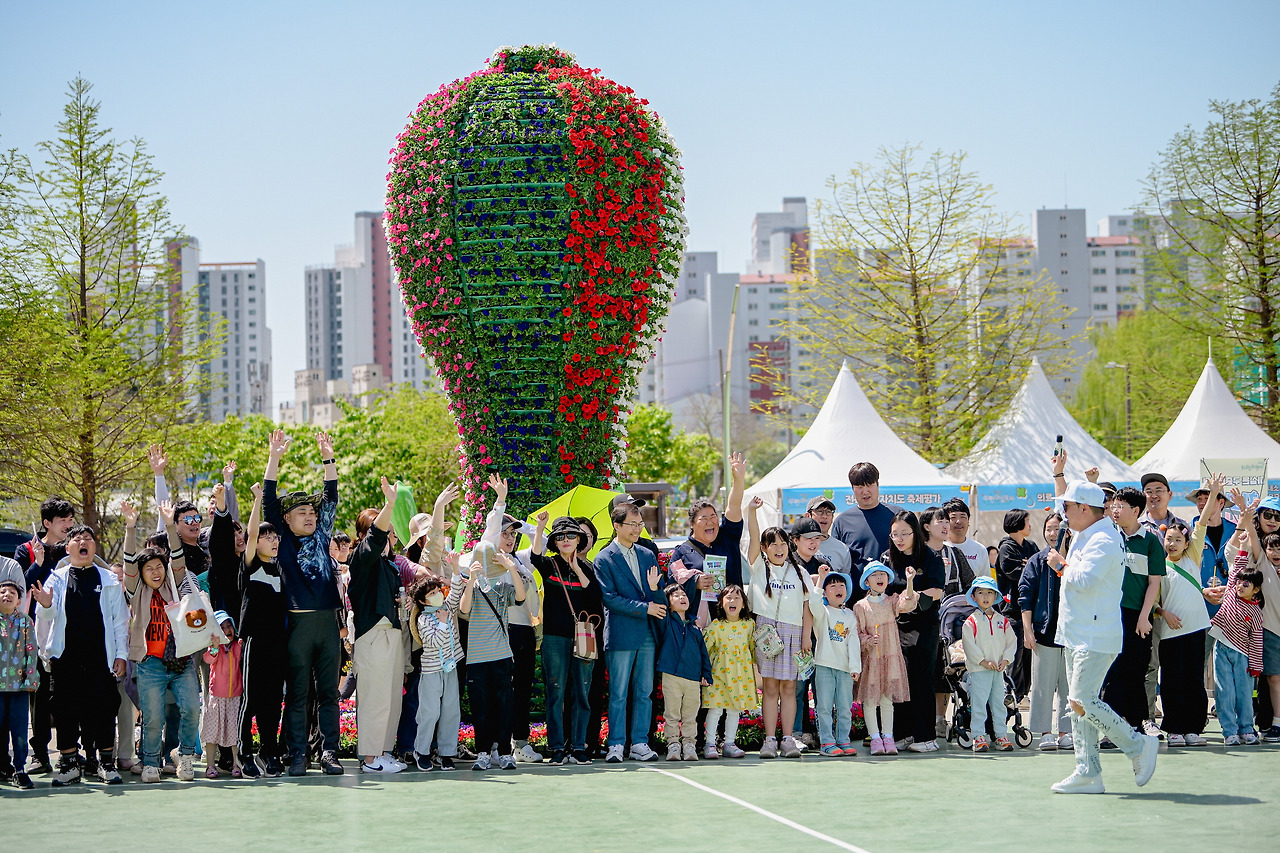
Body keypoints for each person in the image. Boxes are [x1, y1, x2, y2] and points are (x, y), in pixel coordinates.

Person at [1047, 480, 1158, 794]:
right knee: (1078, 704)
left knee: (1084, 701)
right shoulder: (1088, 533)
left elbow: (1085, 579)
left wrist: (1060, 564)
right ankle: (1087, 771)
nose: (1063, 513)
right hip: (1078, 633)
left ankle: (1136, 745)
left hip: (1094, 635)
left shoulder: (1105, 538)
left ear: (1084, 508)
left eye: (1068, 506)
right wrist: (1059, 474)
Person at [261, 428, 344, 777]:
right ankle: (297, 755)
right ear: (287, 520)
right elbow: (269, 500)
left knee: (328, 693)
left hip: (327, 624)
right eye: (302, 513)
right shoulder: (282, 539)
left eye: (312, 512)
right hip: (296, 625)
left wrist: (329, 459)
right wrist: (274, 458)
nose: (310, 516)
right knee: (296, 694)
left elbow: (332, 495)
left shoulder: (323, 534)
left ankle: (329, 753)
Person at [31, 522, 129, 788]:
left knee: (104, 710)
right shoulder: (57, 577)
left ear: (94, 547)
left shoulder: (108, 578)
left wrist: (121, 654)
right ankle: (69, 765)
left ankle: (106, 764)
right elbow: (45, 618)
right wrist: (47, 605)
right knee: (65, 711)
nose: (83, 542)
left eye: (88, 539)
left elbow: (120, 621)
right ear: (68, 547)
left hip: (101, 657)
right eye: (77, 539)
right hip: (66, 658)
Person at [121, 500, 202, 784]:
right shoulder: (136, 591)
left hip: (181, 661)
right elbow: (129, 562)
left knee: (192, 708)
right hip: (150, 664)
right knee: (153, 719)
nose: (155, 572)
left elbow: (177, 558)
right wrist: (130, 527)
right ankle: (152, 763)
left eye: (159, 567)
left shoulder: (173, 584)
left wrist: (170, 524)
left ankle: (186, 756)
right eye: (149, 569)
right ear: (141, 575)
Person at [348, 477, 411, 775]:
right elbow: (374, 538)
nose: (390, 536)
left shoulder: (390, 565)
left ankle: (382, 752)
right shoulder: (361, 559)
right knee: (374, 699)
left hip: (392, 635)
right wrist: (389, 503)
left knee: (390, 700)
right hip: (373, 636)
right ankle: (371, 758)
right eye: (386, 532)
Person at [595, 502, 666, 763]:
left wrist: (654, 592)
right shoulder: (604, 558)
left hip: (647, 633)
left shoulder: (647, 555)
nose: (638, 529)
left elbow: (659, 595)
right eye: (632, 525)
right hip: (621, 633)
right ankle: (615, 743)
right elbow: (609, 599)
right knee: (619, 693)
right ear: (617, 525)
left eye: (640, 524)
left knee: (645, 691)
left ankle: (639, 743)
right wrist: (645, 607)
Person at [531, 516, 603, 766]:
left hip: (583, 637)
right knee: (556, 692)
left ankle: (579, 747)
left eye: (571, 536)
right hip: (554, 637)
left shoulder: (589, 568)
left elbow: (594, 596)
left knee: (582, 692)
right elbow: (534, 558)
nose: (565, 540)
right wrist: (541, 528)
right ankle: (557, 748)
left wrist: (576, 567)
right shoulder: (549, 565)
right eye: (560, 537)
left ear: (579, 540)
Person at [449, 541, 526, 771]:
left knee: (504, 706)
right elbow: (464, 610)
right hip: (477, 658)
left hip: (501, 655)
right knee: (480, 707)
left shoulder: (502, 589)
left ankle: (504, 752)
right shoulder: (471, 589)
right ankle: (483, 752)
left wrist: (511, 568)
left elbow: (521, 597)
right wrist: (471, 579)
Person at [745, 500, 813, 759]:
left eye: (783, 543)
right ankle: (770, 740)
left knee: (790, 689)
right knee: (770, 689)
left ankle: (788, 739)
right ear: (764, 548)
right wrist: (751, 511)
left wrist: (806, 636)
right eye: (772, 543)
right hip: (766, 633)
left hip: (794, 634)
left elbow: (808, 606)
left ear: (789, 546)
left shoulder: (800, 573)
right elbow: (752, 536)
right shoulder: (758, 566)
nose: (779, 548)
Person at [16, 496, 76, 775]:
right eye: (63, 520)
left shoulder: (75, 548)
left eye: (70, 519)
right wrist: (38, 563)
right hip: (36, 634)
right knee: (39, 695)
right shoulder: (27, 550)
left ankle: (72, 752)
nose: (68, 525)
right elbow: (17, 589)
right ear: (47, 523)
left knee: (68, 693)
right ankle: (40, 753)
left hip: (70, 631)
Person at [1101, 487, 1166, 737]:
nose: (1115, 511)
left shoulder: (1150, 540)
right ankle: (1112, 727)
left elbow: (1154, 582)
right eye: (1113, 506)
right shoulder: (1108, 536)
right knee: (1113, 670)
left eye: (1120, 506)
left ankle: (1139, 722)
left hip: (1138, 615)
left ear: (1136, 510)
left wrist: (1143, 616)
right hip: (1109, 614)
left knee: (1137, 669)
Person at [234, 485, 288, 778]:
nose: (272, 540)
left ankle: (269, 751)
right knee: (251, 700)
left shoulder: (281, 569)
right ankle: (244, 753)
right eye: (268, 537)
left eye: (275, 536)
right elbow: (251, 534)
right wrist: (257, 500)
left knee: (271, 703)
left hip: (278, 643)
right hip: (255, 641)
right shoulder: (251, 564)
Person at [881, 511, 946, 752]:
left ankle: (925, 737)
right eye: (895, 534)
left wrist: (915, 597)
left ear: (916, 533)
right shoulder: (887, 558)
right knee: (897, 679)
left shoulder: (930, 557)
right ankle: (903, 733)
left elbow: (937, 590)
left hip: (923, 624)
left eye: (904, 534)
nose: (899, 539)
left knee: (919, 678)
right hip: (895, 625)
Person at [1227, 491, 1280, 743]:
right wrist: (1244, 514)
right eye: (1267, 514)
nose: (1272, 519)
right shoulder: (1259, 555)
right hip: (1264, 629)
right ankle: (1265, 724)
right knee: (1269, 679)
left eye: (1277, 516)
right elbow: (1234, 559)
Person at [667, 452, 746, 620]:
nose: (710, 522)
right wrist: (694, 583)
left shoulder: (727, 537)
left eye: (713, 517)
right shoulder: (682, 552)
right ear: (692, 524)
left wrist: (738, 481)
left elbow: (734, 506)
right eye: (704, 518)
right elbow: (672, 587)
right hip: (699, 623)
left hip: (733, 621)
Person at [1154, 517, 1212, 747]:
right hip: (1170, 634)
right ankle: (1174, 729)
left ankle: (1193, 728)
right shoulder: (1158, 566)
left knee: (1194, 680)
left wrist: (1214, 492)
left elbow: (1202, 525)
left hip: (1197, 630)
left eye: (1178, 539)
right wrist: (1163, 612)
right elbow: (1153, 601)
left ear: (1187, 543)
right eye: (1169, 539)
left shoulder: (1192, 558)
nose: (1173, 544)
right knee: (1171, 681)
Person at [1018, 512, 1073, 751]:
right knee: (1042, 686)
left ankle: (1066, 731)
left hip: (1072, 634)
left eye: (1058, 528)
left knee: (1069, 686)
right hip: (1044, 632)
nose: (1053, 533)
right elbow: (1025, 597)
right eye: (1049, 528)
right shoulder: (1037, 561)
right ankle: (1045, 732)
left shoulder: (1075, 559)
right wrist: (1027, 631)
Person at [853, 561, 915, 755]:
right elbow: (857, 633)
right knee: (871, 701)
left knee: (887, 699)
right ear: (866, 581)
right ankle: (875, 738)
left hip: (890, 656)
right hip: (872, 659)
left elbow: (908, 603)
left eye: (883, 574)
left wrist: (910, 581)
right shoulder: (860, 606)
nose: (879, 578)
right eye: (874, 575)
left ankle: (888, 737)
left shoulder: (891, 601)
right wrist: (869, 640)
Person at [922, 505, 973, 737]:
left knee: (946, 671)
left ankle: (940, 719)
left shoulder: (954, 553)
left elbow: (970, 585)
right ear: (926, 527)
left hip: (949, 624)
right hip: (921, 621)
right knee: (923, 672)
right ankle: (922, 719)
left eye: (946, 521)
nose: (946, 525)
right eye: (939, 521)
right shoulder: (919, 553)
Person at [1211, 546, 1265, 746]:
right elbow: (1235, 570)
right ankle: (1230, 731)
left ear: (1256, 589)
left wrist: (1256, 665)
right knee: (1224, 691)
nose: (1241, 585)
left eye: (1247, 583)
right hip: (1222, 649)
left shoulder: (1257, 612)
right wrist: (1242, 548)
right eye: (1240, 582)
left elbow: (1256, 639)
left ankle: (1246, 729)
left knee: (1244, 693)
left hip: (1243, 655)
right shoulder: (1231, 593)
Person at [410, 574, 462, 771]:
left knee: (451, 710)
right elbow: (433, 643)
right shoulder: (423, 619)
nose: (438, 595)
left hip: (450, 667)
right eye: (432, 593)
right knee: (430, 712)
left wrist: (455, 570)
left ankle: (446, 753)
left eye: (438, 591)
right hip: (432, 671)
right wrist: (441, 622)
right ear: (423, 601)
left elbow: (456, 594)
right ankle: (421, 750)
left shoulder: (446, 609)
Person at [656, 582, 712, 761]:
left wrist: (706, 673)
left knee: (690, 714)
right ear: (668, 602)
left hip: (692, 679)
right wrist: (654, 587)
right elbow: (659, 601)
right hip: (671, 675)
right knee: (671, 713)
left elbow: (703, 653)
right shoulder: (666, 621)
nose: (682, 597)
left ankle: (689, 744)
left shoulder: (695, 627)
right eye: (676, 595)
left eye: (684, 595)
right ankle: (673, 744)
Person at [808, 569, 862, 756]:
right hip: (824, 665)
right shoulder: (822, 612)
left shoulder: (850, 616)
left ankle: (843, 740)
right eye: (832, 586)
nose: (838, 589)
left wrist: (855, 667)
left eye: (842, 586)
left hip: (845, 669)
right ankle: (827, 742)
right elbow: (813, 604)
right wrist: (820, 579)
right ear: (825, 592)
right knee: (824, 706)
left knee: (845, 707)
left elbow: (854, 643)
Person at [961, 577, 1017, 753]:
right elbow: (969, 645)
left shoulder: (1003, 620)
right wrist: (983, 661)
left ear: (996, 596)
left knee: (999, 704)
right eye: (981, 593)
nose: (985, 597)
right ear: (974, 596)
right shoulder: (971, 621)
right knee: (978, 704)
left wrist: (1006, 660)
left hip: (998, 671)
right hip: (979, 671)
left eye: (990, 593)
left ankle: (1001, 736)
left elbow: (1012, 642)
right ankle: (978, 736)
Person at [701, 584, 755, 759]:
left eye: (737, 598)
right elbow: (706, 651)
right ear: (721, 603)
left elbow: (754, 650)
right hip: (719, 676)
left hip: (740, 677)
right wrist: (704, 672)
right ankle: (709, 743)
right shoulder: (716, 626)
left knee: (734, 710)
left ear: (744, 604)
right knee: (715, 709)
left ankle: (729, 743)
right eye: (728, 598)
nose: (733, 601)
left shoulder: (749, 625)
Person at [0, 559, 37, 789]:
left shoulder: (25, 621)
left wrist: (31, 678)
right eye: (2, 591)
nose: (7, 595)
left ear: (19, 600)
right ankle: (3, 766)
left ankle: (21, 768)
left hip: (19, 687)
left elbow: (31, 651)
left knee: (20, 728)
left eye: (12, 592)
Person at [831, 462, 901, 581]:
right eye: (859, 487)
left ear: (877, 485)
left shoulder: (898, 516)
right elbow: (837, 560)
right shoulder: (842, 522)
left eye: (869, 485)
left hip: (894, 593)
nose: (865, 491)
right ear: (852, 489)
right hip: (856, 595)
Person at [996, 508, 1039, 698]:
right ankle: (1011, 693)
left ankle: (1023, 694)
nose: (1030, 525)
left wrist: (1027, 564)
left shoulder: (1031, 546)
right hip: (1012, 610)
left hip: (1031, 609)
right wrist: (1027, 566)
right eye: (1027, 521)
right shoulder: (1006, 547)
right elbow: (1015, 573)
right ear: (1018, 523)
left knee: (1029, 654)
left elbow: (1039, 569)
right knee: (1015, 654)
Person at [202, 612, 244, 778]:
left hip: (234, 697)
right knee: (212, 732)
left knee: (235, 733)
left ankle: (236, 764)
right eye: (222, 627)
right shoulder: (215, 648)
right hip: (216, 697)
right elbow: (208, 659)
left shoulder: (237, 646)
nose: (227, 630)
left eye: (229, 626)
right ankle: (210, 765)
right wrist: (214, 646)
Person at [804, 496, 852, 578]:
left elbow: (845, 581)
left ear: (832, 517)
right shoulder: (797, 545)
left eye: (828, 512)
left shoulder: (842, 549)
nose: (824, 516)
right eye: (820, 511)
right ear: (808, 515)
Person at [943, 498, 990, 582]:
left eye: (963, 517)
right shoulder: (939, 548)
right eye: (953, 517)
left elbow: (985, 581)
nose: (958, 521)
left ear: (968, 521)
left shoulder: (979, 549)